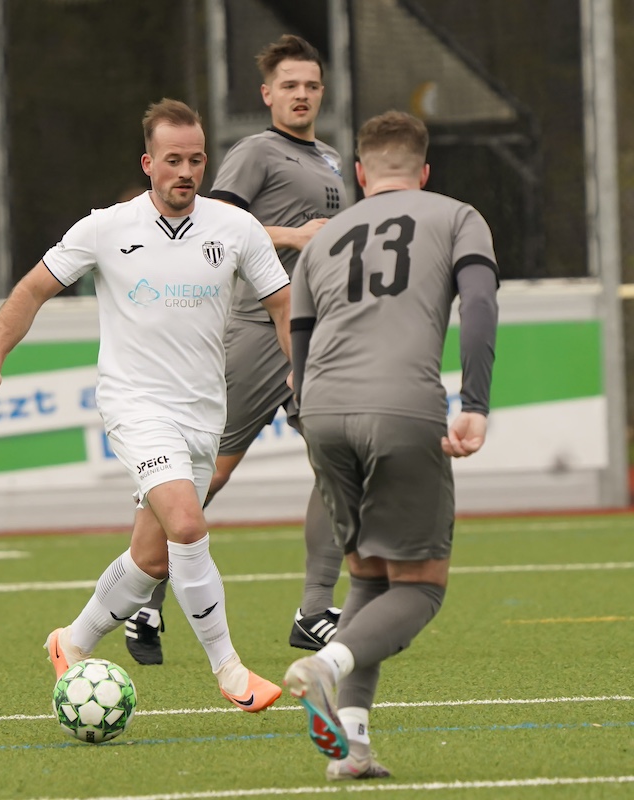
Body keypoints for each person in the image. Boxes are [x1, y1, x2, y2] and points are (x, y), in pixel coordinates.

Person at [0, 99, 291, 712]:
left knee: (152, 557)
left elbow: (281, 303)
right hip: (135, 405)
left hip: (204, 413)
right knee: (188, 526)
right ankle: (230, 669)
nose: (186, 171)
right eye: (173, 160)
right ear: (148, 163)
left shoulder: (236, 228)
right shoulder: (105, 228)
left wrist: (304, 366)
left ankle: (72, 641)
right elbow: (32, 289)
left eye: (196, 160)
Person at [282, 110, 499, 779]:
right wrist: (475, 403)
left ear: (359, 173)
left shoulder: (323, 238)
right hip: (401, 406)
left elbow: (299, 345)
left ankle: (353, 747)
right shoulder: (458, 216)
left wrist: (313, 416)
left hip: (322, 411)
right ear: (424, 171)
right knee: (421, 588)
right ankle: (327, 664)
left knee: (370, 577)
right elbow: (480, 303)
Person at [125, 35, 349, 666]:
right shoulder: (256, 152)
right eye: (290, 85)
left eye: (311, 85)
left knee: (341, 465)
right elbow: (209, 227)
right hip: (254, 332)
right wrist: (293, 236)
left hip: (314, 335)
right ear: (267, 94)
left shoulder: (332, 158)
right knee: (207, 474)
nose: (301, 95)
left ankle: (314, 610)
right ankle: (144, 595)